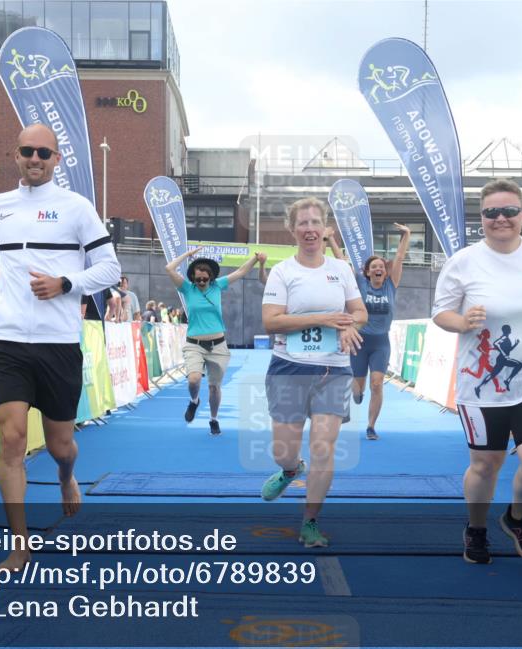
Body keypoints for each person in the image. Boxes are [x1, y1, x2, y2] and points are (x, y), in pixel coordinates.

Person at [0, 122, 121, 571]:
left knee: (61, 445)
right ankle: (19, 543)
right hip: (7, 339)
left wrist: (67, 283)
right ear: (16, 154)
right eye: (27, 151)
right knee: (12, 438)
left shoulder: (76, 207)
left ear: (56, 159)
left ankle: (67, 478)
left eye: (44, 153)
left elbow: (109, 268)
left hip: (58, 342)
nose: (35, 159)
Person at [432, 178, 522, 564]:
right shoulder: (464, 262)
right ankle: (476, 528)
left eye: (509, 211)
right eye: (491, 212)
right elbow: (441, 312)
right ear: (481, 218)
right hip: (481, 383)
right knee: (486, 464)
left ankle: (518, 518)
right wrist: (463, 322)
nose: (500, 219)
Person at [260, 197, 367, 547]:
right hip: (289, 368)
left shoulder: (340, 269)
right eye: (302, 223)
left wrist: (350, 325)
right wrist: (323, 319)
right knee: (283, 450)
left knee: (323, 445)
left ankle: (310, 521)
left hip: (334, 369)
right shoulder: (283, 271)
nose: (309, 229)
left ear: (325, 229)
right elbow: (271, 320)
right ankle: (291, 470)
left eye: (315, 222)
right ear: (293, 230)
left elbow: (359, 311)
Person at [166, 247, 263, 435]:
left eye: (205, 278)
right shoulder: (187, 288)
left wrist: (255, 259)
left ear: (210, 277)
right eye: (197, 279)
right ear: (193, 278)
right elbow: (169, 268)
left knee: (214, 387)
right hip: (194, 344)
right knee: (193, 380)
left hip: (218, 345)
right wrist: (187, 256)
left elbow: (241, 271)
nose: (201, 282)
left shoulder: (218, 286)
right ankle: (194, 401)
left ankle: (213, 419)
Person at [333, 223, 411, 440]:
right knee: (357, 389)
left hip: (380, 343)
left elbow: (400, 258)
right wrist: (331, 240)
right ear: (367, 272)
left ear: (385, 272)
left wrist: (407, 234)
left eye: (381, 267)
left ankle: (371, 426)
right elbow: (342, 264)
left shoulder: (391, 285)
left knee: (377, 384)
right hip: (359, 342)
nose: (378, 269)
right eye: (374, 266)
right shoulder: (360, 284)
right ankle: (356, 395)